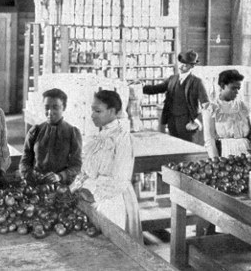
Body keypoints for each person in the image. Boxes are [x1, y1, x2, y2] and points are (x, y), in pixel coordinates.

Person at [69, 90, 142, 242]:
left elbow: (120, 179)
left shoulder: (122, 138)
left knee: (110, 246)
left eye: (98, 111)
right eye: (92, 110)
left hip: (113, 201)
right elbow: (86, 171)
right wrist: (72, 189)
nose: (92, 115)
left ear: (113, 112)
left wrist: (93, 194)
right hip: (92, 197)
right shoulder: (99, 137)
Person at [143, 49, 209, 142]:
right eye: (181, 63)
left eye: (185, 65)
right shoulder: (172, 79)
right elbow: (156, 88)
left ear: (192, 66)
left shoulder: (197, 82)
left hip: (187, 123)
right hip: (171, 121)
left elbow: (206, 105)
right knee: (174, 147)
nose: (181, 67)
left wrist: (197, 122)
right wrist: (140, 87)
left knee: (187, 149)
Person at [20, 88, 82, 186]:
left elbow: (76, 166)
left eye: (55, 107)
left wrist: (60, 176)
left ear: (64, 107)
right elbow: (24, 162)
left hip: (61, 187)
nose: (50, 112)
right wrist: (30, 174)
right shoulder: (35, 131)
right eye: (46, 107)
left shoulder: (72, 133)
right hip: (35, 186)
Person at [202, 69, 251, 158]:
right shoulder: (211, 108)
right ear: (222, 86)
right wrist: (215, 161)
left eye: (238, 88)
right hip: (224, 153)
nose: (237, 92)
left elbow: (250, 135)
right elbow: (209, 140)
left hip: (246, 152)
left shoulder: (242, 107)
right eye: (233, 88)